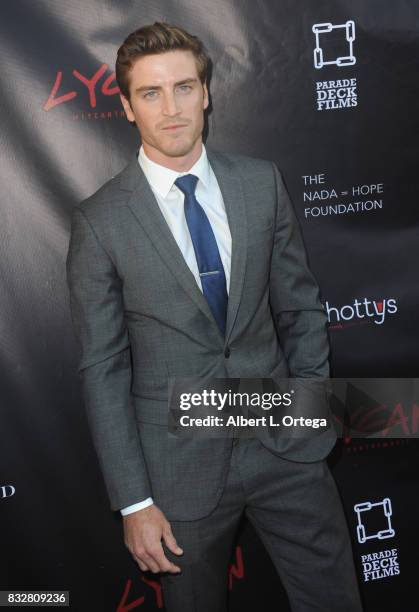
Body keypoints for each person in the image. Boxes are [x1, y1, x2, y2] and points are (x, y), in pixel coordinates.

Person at [66, 22, 363, 612]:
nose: (171, 108)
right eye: (150, 93)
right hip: (179, 473)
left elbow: (301, 308)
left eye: (184, 86)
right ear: (126, 107)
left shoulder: (261, 184)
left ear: (206, 92)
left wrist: (309, 413)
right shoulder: (101, 222)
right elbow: (103, 369)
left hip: (287, 448)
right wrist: (133, 502)